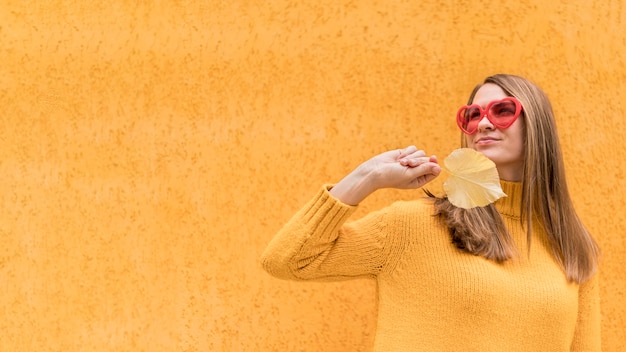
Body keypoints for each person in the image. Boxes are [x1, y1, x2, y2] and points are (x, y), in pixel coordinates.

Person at [260, 74, 601, 351]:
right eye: (473, 115)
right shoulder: (412, 225)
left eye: (501, 111)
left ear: (537, 126)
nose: (483, 124)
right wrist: (366, 177)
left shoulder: (571, 247)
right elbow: (289, 259)